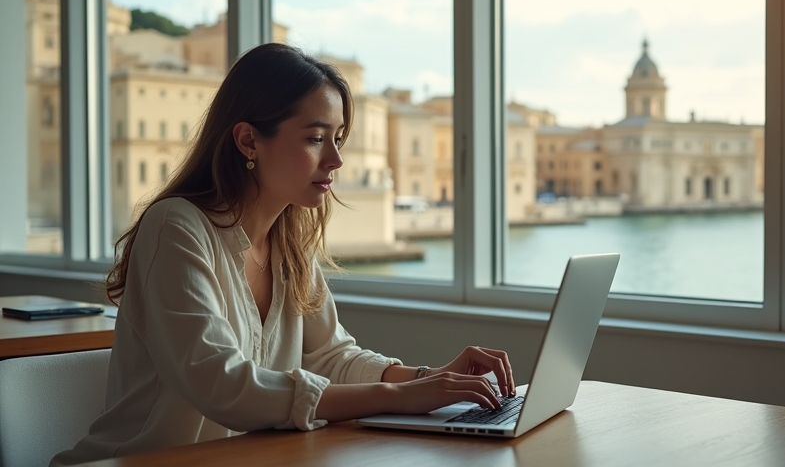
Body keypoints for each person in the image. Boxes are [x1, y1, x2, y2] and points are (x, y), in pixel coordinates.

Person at [51, 43, 514, 465]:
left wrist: (425, 379)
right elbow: (224, 384)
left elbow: (331, 356)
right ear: (249, 140)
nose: (335, 160)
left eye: (338, 139)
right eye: (315, 138)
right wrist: (397, 398)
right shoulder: (176, 226)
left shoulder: (289, 244)